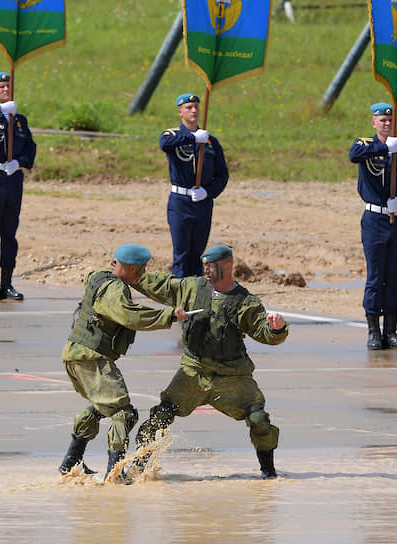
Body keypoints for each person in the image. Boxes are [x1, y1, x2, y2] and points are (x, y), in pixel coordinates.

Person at [129, 244, 289, 479]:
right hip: (194, 372)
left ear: (228, 266)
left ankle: (269, 473)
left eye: (211, 267)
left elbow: (265, 333)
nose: (206, 271)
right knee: (160, 416)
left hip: (232, 377)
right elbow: (160, 285)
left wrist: (277, 328)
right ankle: (137, 469)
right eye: (204, 266)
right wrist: (130, 273)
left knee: (259, 419)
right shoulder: (192, 288)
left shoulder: (245, 302)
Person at [58, 244, 187, 482]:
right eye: (140, 270)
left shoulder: (98, 277)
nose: (143, 274)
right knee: (123, 413)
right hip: (91, 358)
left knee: (100, 407)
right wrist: (169, 315)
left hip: (77, 354)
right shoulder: (115, 290)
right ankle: (114, 473)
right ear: (129, 267)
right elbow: (130, 315)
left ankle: (70, 463)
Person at [349, 102, 397, 350]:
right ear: (373, 122)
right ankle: (374, 332)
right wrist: (382, 147)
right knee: (376, 276)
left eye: (391, 121)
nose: (387, 124)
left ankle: (391, 332)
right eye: (382, 120)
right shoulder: (365, 145)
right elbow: (353, 156)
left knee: (394, 276)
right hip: (374, 220)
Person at [0, 72, 37, 301]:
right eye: (1, 87)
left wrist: (19, 163)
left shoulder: (19, 119)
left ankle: (7, 282)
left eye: (8, 86)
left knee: (9, 232)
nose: (6, 90)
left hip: (12, 178)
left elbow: (30, 147)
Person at [160, 93, 229, 278]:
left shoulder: (210, 141)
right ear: (180, 112)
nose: (194, 110)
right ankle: (179, 295)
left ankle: (195, 294)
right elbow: (164, 144)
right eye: (189, 107)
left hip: (202, 202)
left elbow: (222, 175)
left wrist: (208, 192)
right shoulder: (173, 135)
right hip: (180, 202)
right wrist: (192, 138)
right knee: (181, 254)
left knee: (197, 254)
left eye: (196, 107)